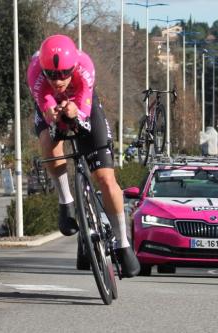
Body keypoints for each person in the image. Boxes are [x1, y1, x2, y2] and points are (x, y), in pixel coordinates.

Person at [27, 35, 140, 277]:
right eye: (52, 75)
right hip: (50, 108)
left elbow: (84, 110)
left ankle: (122, 243)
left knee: (106, 178)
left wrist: (73, 112)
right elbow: (45, 105)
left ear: (73, 68)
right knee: (48, 139)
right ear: (44, 69)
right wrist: (54, 115)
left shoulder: (85, 66)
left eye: (64, 74)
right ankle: (66, 201)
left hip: (81, 103)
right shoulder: (35, 71)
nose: (58, 81)